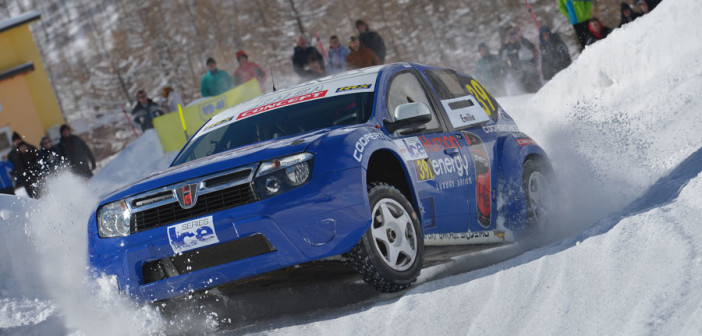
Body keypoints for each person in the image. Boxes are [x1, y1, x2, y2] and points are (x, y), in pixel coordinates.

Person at [500, 27, 541, 93]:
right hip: (518, 74)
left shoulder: (522, 42)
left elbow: (532, 47)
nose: (513, 39)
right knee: (525, 91)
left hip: (530, 70)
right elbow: (502, 57)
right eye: (511, 38)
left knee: (537, 88)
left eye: (514, 37)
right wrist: (505, 44)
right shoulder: (507, 48)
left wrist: (521, 38)